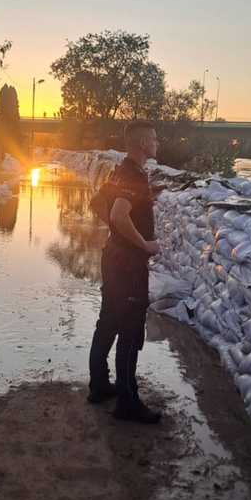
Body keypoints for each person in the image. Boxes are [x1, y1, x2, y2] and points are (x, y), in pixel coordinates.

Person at [87, 121, 162, 424]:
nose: (158, 142)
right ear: (143, 142)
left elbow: (96, 204)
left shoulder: (121, 171)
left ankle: (100, 386)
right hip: (129, 266)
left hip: (114, 259)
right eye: (154, 138)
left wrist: (117, 234)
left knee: (108, 322)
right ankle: (128, 403)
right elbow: (118, 214)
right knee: (130, 331)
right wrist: (143, 244)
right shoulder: (133, 175)